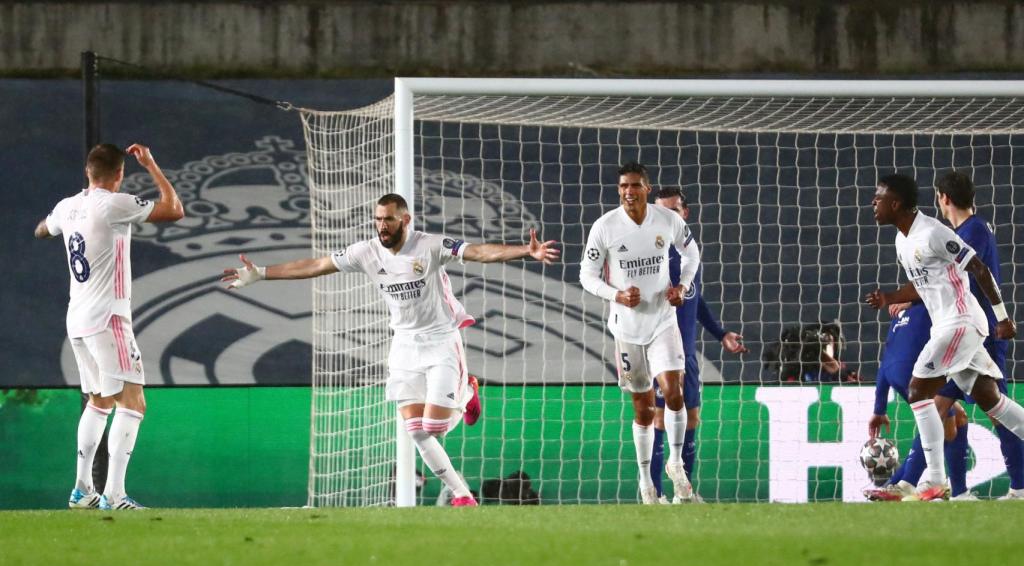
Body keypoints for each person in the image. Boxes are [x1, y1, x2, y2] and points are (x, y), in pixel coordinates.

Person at [221, 193, 558, 507]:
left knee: (434, 428)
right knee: (416, 432)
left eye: (389, 220)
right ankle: (461, 495)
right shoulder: (366, 252)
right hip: (404, 346)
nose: (382, 225)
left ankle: (468, 391)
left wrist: (525, 251)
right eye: (378, 219)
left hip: (441, 341)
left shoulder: (430, 246)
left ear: (405, 220)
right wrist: (261, 273)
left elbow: (479, 253)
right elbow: (316, 265)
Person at [35, 143, 185, 510]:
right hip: (108, 317)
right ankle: (114, 494)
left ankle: (82, 490)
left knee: (99, 401)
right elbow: (174, 210)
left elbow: (42, 230)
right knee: (133, 403)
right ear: (120, 174)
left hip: (78, 318)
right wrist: (150, 163)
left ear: (88, 171)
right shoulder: (113, 203)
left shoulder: (68, 206)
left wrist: (62, 225)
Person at [864, 173, 1024, 501]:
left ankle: (933, 480)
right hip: (947, 326)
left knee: (918, 389)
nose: (873, 204)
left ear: (895, 204)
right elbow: (922, 285)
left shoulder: (934, 232)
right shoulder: (902, 241)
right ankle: (931, 481)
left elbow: (979, 268)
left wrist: (1003, 318)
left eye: (878, 198)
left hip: (961, 323)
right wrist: (890, 297)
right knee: (992, 401)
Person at [579, 162, 701, 504]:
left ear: (647, 188)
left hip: (663, 320)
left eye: (634, 185)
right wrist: (615, 294)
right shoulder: (605, 227)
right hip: (627, 329)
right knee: (644, 410)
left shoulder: (668, 221)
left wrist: (683, 284)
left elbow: (691, 253)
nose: (628, 191)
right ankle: (646, 482)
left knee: (673, 391)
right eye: (622, 186)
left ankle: (676, 465)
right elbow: (587, 275)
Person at [648, 187, 748, 502]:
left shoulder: (690, 254)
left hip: (688, 354)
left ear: (684, 214)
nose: (665, 219)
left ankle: (683, 492)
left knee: (691, 419)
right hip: (661, 354)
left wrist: (720, 334)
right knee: (660, 420)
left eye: (672, 212)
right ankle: (655, 494)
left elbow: (696, 299)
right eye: (659, 212)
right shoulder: (652, 256)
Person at [932, 171, 1024, 500]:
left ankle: (924, 483)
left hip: (980, 337)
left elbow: (961, 280)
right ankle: (954, 490)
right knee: (943, 405)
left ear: (943, 197)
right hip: (968, 336)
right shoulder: (969, 230)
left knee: (991, 410)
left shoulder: (973, 231)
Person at [864, 300, 972, 501]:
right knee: (943, 423)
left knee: (958, 417)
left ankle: (959, 492)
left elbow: (885, 360)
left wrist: (879, 409)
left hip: (892, 372)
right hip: (914, 370)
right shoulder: (936, 302)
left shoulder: (901, 313)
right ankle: (902, 484)